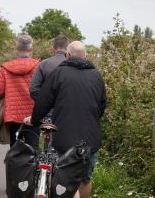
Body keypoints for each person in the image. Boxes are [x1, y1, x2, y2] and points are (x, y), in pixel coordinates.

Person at [30, 41, 107, 198]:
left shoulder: (58, 73)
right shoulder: (96, 75)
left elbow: (43, 102)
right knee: (85, 179)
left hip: (63, 137)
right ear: (86, 55)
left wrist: (35, 120)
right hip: (90, 138)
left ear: (67, 55)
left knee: (65, 177)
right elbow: (102, 106)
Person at [0, 34, 40, 148]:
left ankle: (14, 165)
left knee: (14, 147)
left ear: (17, 47)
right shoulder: (39, 67)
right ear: (31, 49)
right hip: (32, 113)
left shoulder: (5, 68)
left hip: (12, 114)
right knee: (32, 147)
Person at [29, 35, 68, 101]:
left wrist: (45, 103)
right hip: (68, 108)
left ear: (53, 48)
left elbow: (33, 89)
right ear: (67, 49)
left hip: (48, 109)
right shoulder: (73, 65)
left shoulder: (43, 64)